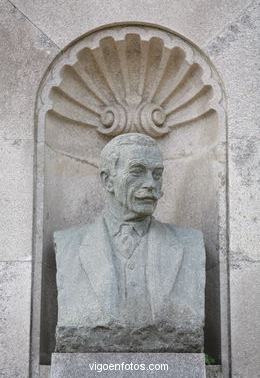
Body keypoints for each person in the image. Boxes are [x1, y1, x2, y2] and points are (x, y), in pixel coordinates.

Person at [54, 133, 205, 352]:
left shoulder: (190, 244)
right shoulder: (68, 244)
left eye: (157, 174)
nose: (151, 184)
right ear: (108, 180)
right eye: (137, 172)